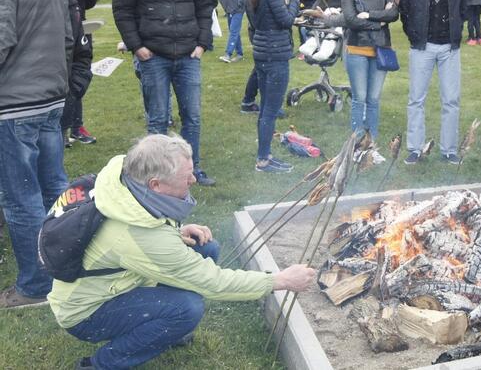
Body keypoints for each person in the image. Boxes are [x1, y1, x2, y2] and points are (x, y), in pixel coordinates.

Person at [47, 134, 316, 369]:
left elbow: (138, 236)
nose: (193, 179)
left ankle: (165, 329)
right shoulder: (139, 236)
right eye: (185, 176)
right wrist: (278, 281)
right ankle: (102, 364)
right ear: (155, 185)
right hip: (87, 312)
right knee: (187, 309)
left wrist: (177, 231)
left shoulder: (127, 181)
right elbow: (213, 283)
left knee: (205, 248)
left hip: (118, 281)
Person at [0, 0, 71, 308]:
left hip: (16, 104)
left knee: (21, 197)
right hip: (48, 99)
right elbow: (65, 37)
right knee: (54, 190)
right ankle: (66, 269)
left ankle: (34, 286)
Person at [112, 0, 217, 186]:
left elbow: (205, 8)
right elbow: (122, 11)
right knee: (157, 119)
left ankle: (192, 171)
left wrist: (202, 43)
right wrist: (137, 46)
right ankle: (154, 173)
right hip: (153, 57)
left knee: (192, 117)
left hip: (187, 56)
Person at [398, 0, 467, 165]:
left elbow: (463, 10)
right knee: (416, 99)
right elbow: (404, 12)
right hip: (421, 47)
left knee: (451, 100)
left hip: (450, 48)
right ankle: (414, 149)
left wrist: (456, 33)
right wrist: (414, 35)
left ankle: (449, 150)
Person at [246, 0, 301, 173]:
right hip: (275, 53)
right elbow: (286, 19)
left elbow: (254, 19)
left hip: (261, 49)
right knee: (270, 109)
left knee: (265, 108)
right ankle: (263, 160)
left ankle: (265, 155)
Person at [339, 0, 398, 140]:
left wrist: (370, 15)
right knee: (360, 98)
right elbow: (350, 20)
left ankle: (371, 143)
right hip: (357, 49)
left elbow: (393, 14)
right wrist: (380, 22)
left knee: (373, 99)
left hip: (381, 49)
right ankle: (356, 143)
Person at [42, 0, 94, 157]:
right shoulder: (21, 8)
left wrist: (74, 88)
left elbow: (82, 55)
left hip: (62, 97)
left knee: (55, 166)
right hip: (27, 104)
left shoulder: (71, 8)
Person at [63, 0, 100, 145]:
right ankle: (65, 128)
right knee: (68, 80)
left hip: (82, 29)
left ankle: (76, 126)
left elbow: (85, 4)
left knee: (80, 77)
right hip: (65, 32)